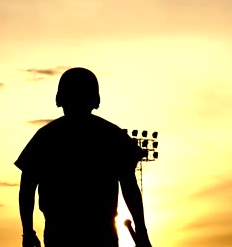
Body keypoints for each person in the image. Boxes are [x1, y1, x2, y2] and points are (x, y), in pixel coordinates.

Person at [15, 67, 153, 247]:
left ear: (60, 99)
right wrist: (141, 231)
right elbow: (130, 188)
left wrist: (28, 232)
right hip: (96, 233)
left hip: (63, 233)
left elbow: (27, 189)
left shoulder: (46, 137)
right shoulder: (112, 136)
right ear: (95, 100)